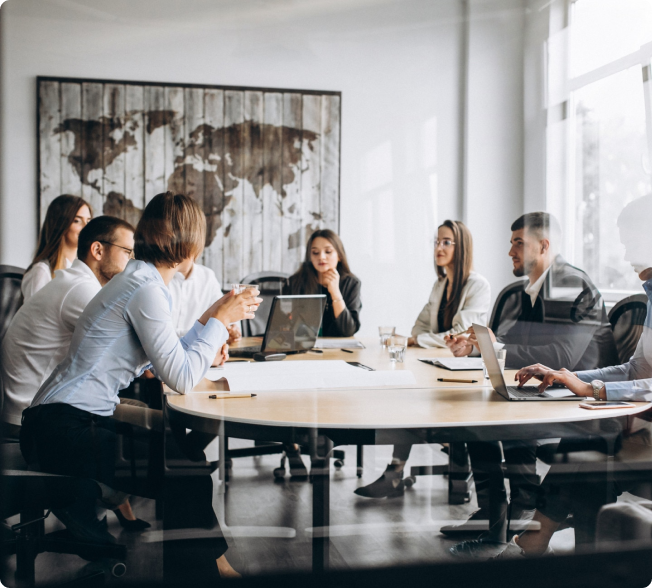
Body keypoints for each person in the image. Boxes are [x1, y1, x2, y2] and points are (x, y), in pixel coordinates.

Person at [20, 192, 261, 580]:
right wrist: (216, 323)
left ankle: (212, 565)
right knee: (184, 472)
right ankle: (208, 571)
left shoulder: (141, 281)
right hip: (60, 429)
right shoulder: (146, 289)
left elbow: (169, 355)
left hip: (59, 421)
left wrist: (213, 322)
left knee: (186, 459)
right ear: (189, 243)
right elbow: (180, 377)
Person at [445, 212, 618, 557]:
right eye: (511, 242)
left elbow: (562, 354)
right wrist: (474, 347)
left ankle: (513, 515)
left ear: (544, 245)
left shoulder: (570, 283)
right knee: (470, 416)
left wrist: (497, 347)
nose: (510, 250)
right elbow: (507, 345)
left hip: (581, 396)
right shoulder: (523, 291)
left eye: (518, 243)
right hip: (545, 392)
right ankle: (499, 517)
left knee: (486, 420)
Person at [495, 194, 652, 559]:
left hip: (640, 425)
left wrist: (593, 388)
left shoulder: (569, 283)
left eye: (632, 242)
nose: (627, 256)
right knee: (587, 445)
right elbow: (634, 370)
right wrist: (569, 376)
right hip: (635, 418)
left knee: (588, 444)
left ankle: (538, 540)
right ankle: (566, 553)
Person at [1, 216, 150, 530]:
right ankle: (88, 499)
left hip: (41, 405)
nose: (133, 262)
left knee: (135, 414)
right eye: (128, 252)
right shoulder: (80, 290)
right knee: (140, 424)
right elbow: (133, 343)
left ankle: (94, 502)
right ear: (97, 250)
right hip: (38, 415)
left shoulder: (73, 282)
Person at [355, 220, 491, 498]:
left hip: (464, 370)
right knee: (408, 397)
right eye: (436, 241)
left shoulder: (478, 285)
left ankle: (446, 462)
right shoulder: (440, 285)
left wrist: (421, 340)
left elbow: (459, 335)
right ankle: (402, 472)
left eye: (446, 242)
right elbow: (419, 328)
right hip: (437, 364)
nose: (438, 247)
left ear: (461, 246)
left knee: (417, 404)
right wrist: (423, 338)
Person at [284, 229, 361, 337]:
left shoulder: (351, 283)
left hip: (339, 350)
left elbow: (348, 330)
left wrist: (335, 293)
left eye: (328, 251)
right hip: (303, 347)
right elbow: (285, 325)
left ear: (339, 256)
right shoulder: (295, 282)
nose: (321, 257)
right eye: (315, 252)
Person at [22, 195, 92, 300]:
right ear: (60, 224)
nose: (86, 228)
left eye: (88, 221)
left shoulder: (83, 269)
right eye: (77, 221)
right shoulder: (41, 272)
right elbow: (34, 315)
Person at [169, 258, 241, 344]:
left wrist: (232, 328)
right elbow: (160, 334)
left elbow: (223, 309)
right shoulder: (159, 276)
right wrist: (212, 333)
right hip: (169, 350)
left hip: (200, 348)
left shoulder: (207, 275)